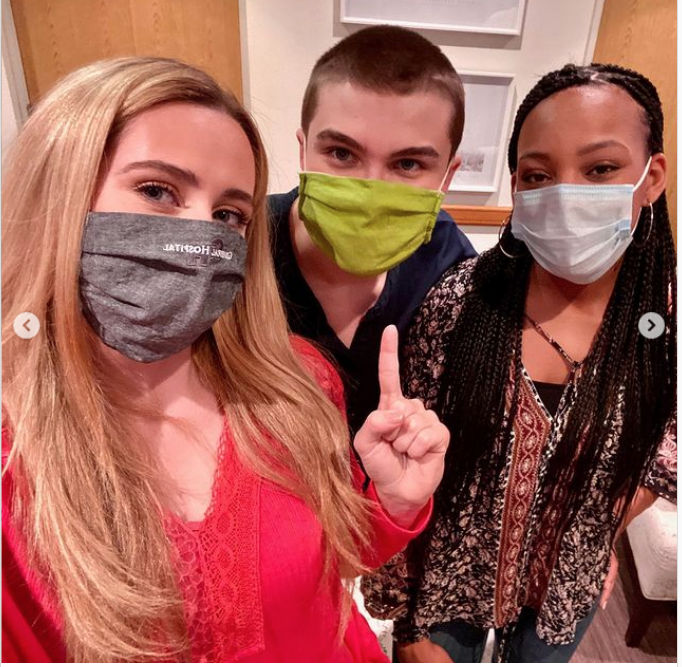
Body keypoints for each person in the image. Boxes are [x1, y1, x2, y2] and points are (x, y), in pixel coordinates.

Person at [1, 57, 451, 663]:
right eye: (157, 190)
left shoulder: (297, 380)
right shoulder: (14, 456)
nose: (200, 237)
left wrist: (392, 503)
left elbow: (323, 568)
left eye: (228, 214)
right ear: (60, 190)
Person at [362, 63, 677, 662]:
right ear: (516, 187)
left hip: (564, 587)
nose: (566, 192)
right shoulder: (461, 304)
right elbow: (407, 464)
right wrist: (408, 626)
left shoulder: (667, 322)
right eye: (538, 175)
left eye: (600, 169)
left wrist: (599, 527)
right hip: (445, 584)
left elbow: (669, 448)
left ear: (652, 176)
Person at [268, 26, 476, 436]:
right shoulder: (244, 245)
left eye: (408, 164)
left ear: (447, 176)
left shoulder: (449, 266)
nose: (370, 187)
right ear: (303, 150)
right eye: (341, 153)